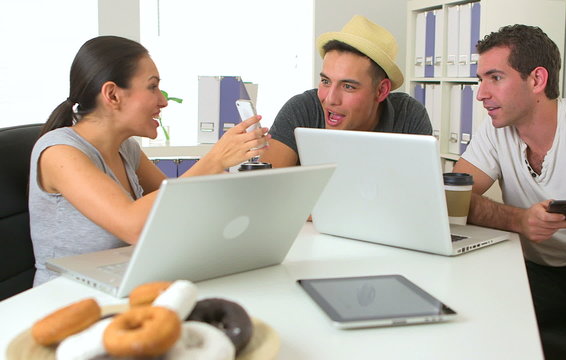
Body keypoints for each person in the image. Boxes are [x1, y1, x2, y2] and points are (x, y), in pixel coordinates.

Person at [453, 24, 566, 359]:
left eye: (494, 78)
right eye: (480, 80)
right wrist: (519, 220)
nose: (481, 94)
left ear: (537, 80)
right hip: (536, 271)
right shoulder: (495, 131)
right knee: (467, 329)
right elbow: (452, 200)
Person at [29, 36, 269, 286]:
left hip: (122, 284)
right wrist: (214, 160)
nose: (163, 101)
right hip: (64, 298)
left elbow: (176, 208)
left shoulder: (126, 149)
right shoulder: (59, 151)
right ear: (112, 95)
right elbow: (133, 226)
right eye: (152, 87)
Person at [261, 15, 432, 168]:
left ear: (381, 90)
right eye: (326, 81)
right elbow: (265, 191)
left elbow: (422, 195)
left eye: (348, 86)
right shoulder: (302, 109)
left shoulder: (409, 115)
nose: (330, 99)